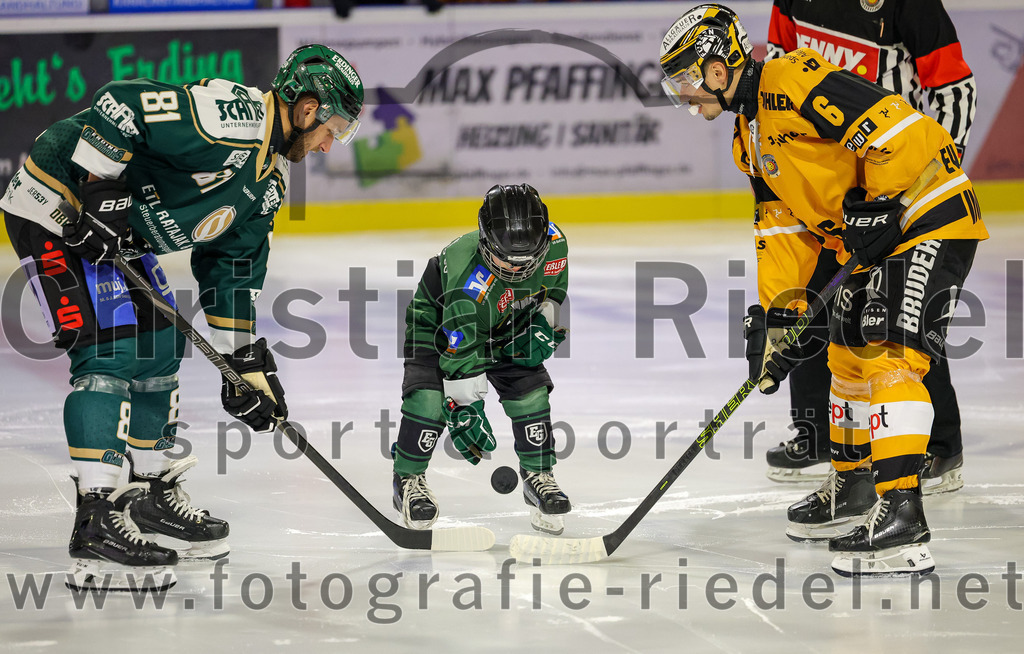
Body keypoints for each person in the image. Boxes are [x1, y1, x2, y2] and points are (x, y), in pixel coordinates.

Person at [0, 44, 363, 590]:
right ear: (307, 108)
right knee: (112, 348)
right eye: (332, 127)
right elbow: (120, 105)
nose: (330, 142)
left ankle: (147, 498)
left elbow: (232, 270)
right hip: (59, 205)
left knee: (163, 342)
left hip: (115, 233)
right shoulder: (233, 118)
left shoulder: (268, 184)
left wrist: (244, 365)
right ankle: (94, 519)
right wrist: (101, 190)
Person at [658, 4, 987, 575]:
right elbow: (781, 230)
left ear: (718, 67)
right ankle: (854, 488)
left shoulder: (795, 78)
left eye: (687, 78)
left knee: (890, 356)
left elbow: (899, 128)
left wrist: (882, 202)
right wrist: (778, 320)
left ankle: (903, 515)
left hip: (928, 216)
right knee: (845, 358)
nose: (685, 95)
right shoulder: (750, 134)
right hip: (873, 237)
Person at [762, 0, 976, 493]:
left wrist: (927, 175)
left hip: (893, 184)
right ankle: (821, 433)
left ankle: (940, 446)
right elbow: (776, 73)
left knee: (900, 313)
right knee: (813, 301)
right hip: (831, 184)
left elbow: (953, 87)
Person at [390, 184, 572, 535]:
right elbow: (461, 353)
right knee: (427, 401)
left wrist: (546, 325)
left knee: (531, 392)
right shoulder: (466, 285)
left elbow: (554, 292)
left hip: (508, 319)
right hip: (441, 327)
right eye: (506, 259)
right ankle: (407, 480)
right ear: (485, 243)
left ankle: (538, 475)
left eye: (526, 261)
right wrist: (464, 407)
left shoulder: (557, 244)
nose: (516, 270)